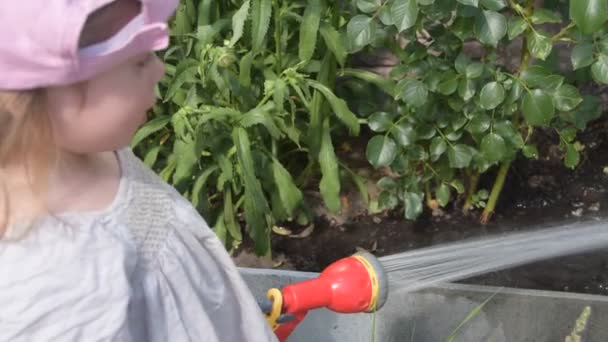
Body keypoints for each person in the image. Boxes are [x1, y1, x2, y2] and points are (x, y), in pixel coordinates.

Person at [0, 1, 277, 341]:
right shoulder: (55, 291)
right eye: (140, 60)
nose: (160, 71)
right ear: (56, 95)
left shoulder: (96, 152)